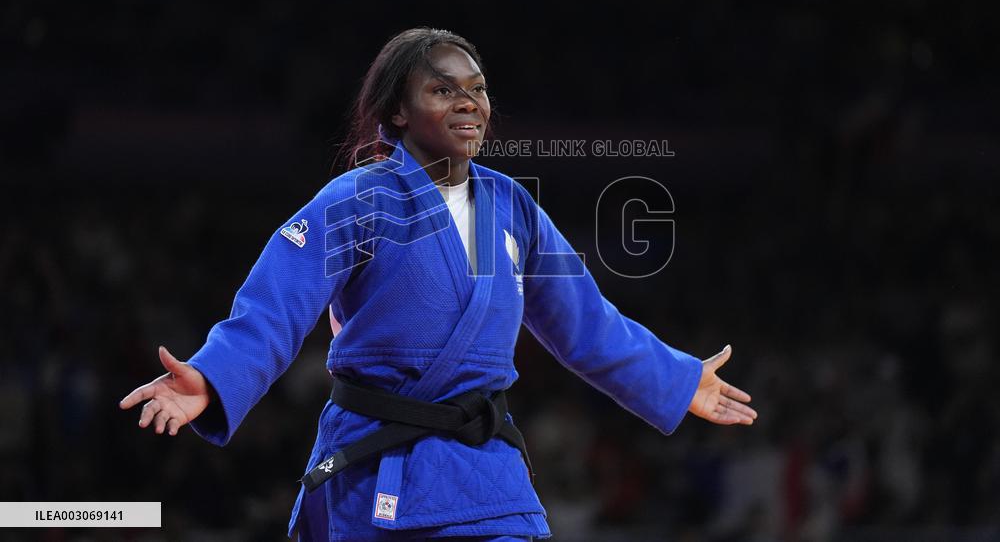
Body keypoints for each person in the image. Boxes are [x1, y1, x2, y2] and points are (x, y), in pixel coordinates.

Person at [119, 27, 758, 541]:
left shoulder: (508, 205)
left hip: (488, 474)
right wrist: (211, 376)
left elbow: (586, 323)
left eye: (477, 91)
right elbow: (274, 309)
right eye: (443, 91)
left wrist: (675, 377)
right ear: (398, 111)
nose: (468, 105)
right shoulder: (359, 200)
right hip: (381, 469)